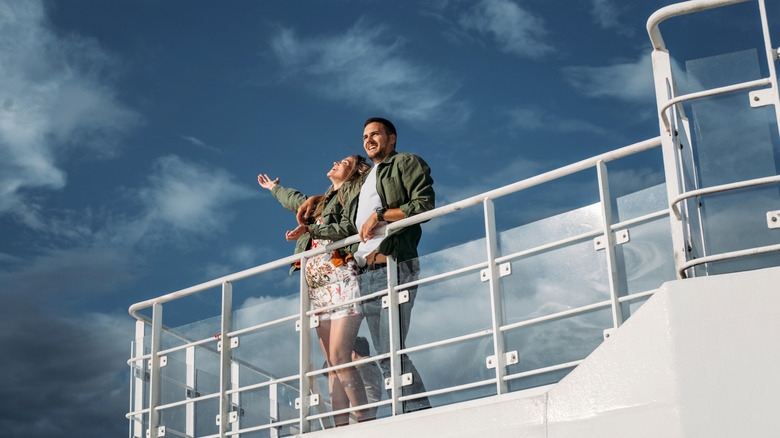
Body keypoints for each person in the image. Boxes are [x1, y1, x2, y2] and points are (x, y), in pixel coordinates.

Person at [297, 117, 435, 412]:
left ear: (393, 138)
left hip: (392, 264)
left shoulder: (405, 163)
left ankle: (418, 413)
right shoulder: (368, 178)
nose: (368, 140)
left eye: (376, 134)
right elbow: (345, 198)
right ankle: (396, 412)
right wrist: (319, 198)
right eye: (365, 137)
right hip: (363, 272)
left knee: (388, 349)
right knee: (364, 354)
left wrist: (382, 215)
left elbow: (424, 205)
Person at [257, 154, 371, 426]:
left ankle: (367, 423)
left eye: (344, 162)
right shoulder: (321, 201)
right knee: (331, 363)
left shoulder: (354, 196)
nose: (336, 161)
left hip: (341, 278)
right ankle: (341, 427)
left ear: (354, 173)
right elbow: (296, 200)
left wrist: (310, 229)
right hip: (317, 289)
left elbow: (348, 227)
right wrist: (274, 188)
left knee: (342, 356)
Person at [352, 336, 383, 420]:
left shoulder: (359, 368)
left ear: (353, 353)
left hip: (357, 418)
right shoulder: (373, 367)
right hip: (370, 415)